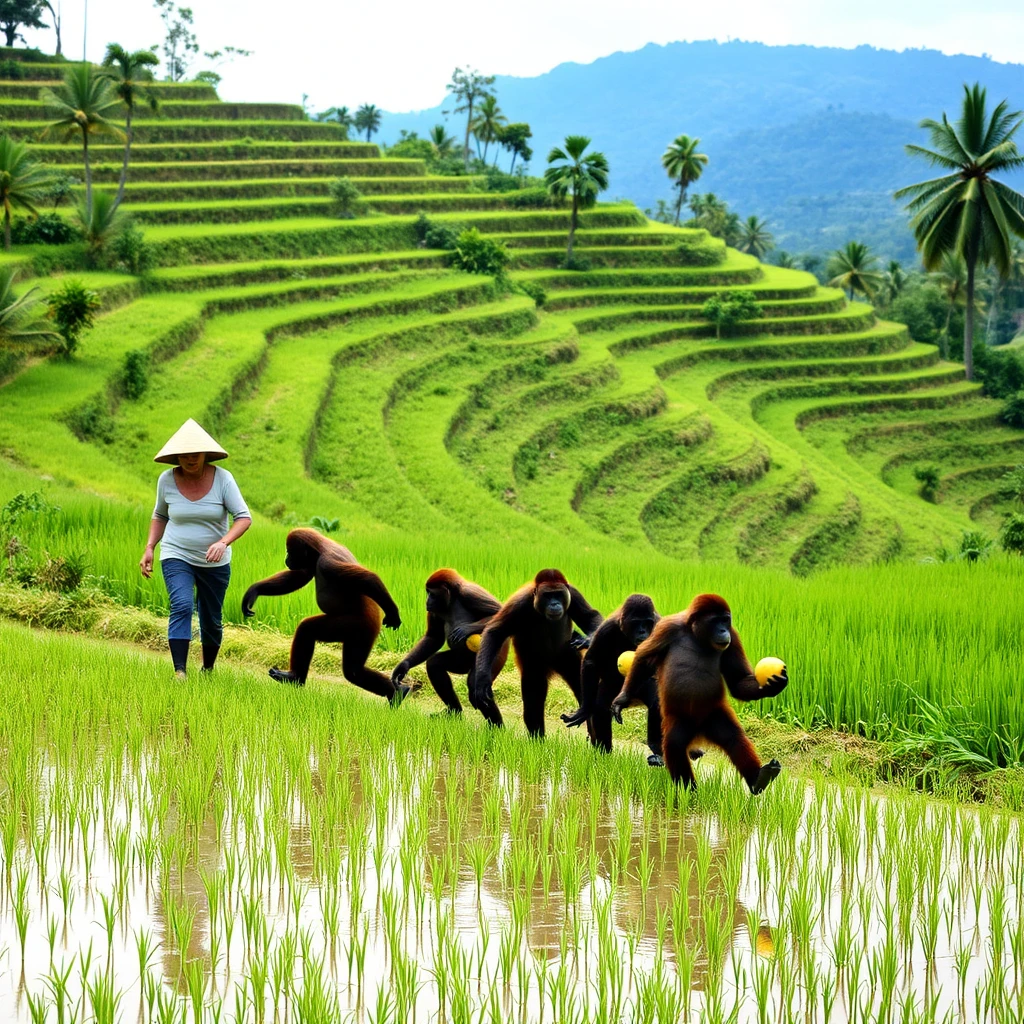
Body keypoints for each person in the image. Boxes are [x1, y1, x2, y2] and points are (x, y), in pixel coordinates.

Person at [140, 419, 251, 678]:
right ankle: (180, 672)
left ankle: (208, 670)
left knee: (211, 617)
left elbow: (244, 517)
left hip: (215, 561)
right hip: (176, 553)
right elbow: (159, 515)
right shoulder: (166, 480)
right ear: (176, 456)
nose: (190, 459)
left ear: (205, 454)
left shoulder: (223, 479)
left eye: (195, 453)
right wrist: (149, 547)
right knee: (181, 605)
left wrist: (223, 542)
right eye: (185, 454)